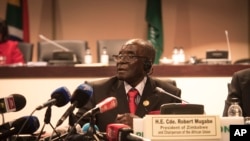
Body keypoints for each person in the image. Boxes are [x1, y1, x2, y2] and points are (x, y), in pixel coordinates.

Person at [75, 38, 182, 132]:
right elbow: (77, 127)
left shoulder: (169, 94)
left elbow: (176, 131)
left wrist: (141, 125)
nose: (121, 61)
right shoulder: (97, 90)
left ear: (147, 65)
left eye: (130, 56)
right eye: (120, 55)